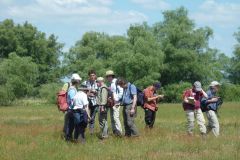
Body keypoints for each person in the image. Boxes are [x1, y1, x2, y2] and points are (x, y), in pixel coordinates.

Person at [106, 70, 123, 136]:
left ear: (111, 76)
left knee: (116, 117)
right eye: (107, 76)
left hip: (116, 102)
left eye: (109, 76)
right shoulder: (110, 83)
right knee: (112, 117)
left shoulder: (116, 82)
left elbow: (121, 91)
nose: (108, 78)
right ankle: (115, 131)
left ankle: (120, 132)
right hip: (111, 102)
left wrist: (117, 100)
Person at [65, 73, 82, 141]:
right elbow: (73, 100)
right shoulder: (72, 89)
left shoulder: (73, 88)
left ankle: (70, 138)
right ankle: (72, 138)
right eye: (78, 80)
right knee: (75, 124)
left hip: (71, 110)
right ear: (76, 81)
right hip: (73, 110)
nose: (79, 81)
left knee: (71, 125)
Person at [83, 70, 99, 134]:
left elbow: (101, 92)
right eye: (91, 75)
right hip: (86, 102)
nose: (92, 76)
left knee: (92, 117)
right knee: (85, 116)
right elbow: (82, 91)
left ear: (95, 76)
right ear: (89, 76)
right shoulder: (85, 82)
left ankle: (91, 131)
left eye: (93, 75)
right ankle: (83, 129)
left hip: (95, 102)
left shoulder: (98, 83)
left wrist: (95, 92)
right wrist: (87, 94)